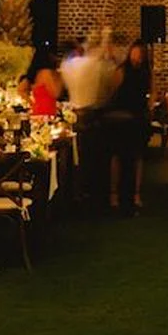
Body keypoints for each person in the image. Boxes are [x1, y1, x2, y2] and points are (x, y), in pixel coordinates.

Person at [62, 31, 117, 214]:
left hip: (75, 113)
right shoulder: (86, 64)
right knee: (93, 158)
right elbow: (100, 54)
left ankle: (79, 194)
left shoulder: (66, 66)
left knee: (78, 158)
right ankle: (93, 196)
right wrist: (105, 35)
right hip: (90, 113)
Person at [109, 41, 152, 215]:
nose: (138, 57)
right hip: (122, 115)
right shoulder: (122, 70)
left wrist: (149, 106)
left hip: (138, 116)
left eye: (140, 54)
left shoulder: (146, 72)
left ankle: (135, 194)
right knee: (118, 155)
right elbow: (113, 91)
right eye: (135, 53)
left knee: (137, 156)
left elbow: (152, 90)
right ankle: (114, 194)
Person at [22, 44, 62, 118]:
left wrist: (32, 103)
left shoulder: (35, 74)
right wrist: (59, 78)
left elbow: (21, 90)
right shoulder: (46, 73)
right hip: (47, 113)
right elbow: (56, 93)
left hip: (37, 111)